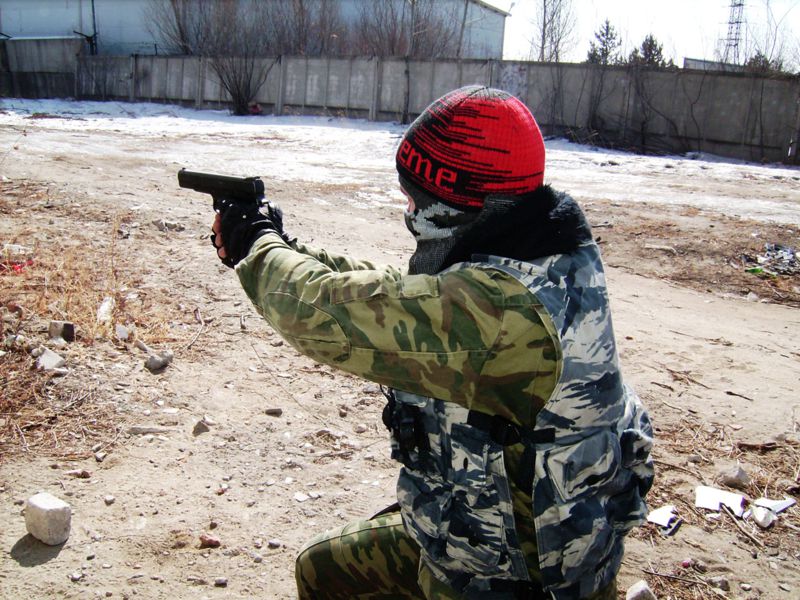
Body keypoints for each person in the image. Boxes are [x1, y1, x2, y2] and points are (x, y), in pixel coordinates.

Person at [210, 86, 654, 600]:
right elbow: (396, 295)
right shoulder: (540, 251)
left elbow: (324, 315)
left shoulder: (503, 313)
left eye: (414, 198)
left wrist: (256, 244)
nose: (408, 209)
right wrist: (289, 248)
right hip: (480, 534)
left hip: (509, 581)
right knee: (321, 569)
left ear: (453, 204)